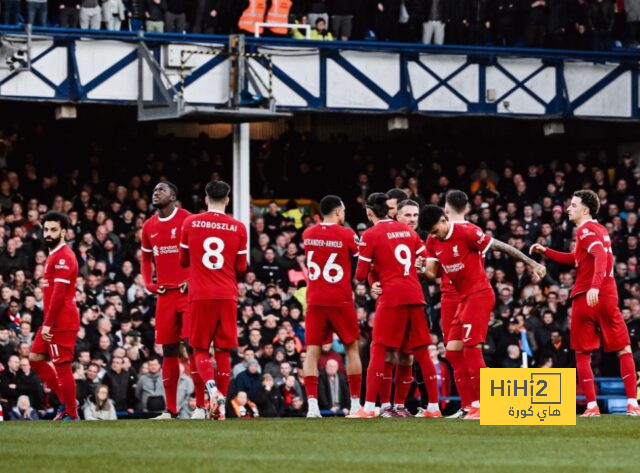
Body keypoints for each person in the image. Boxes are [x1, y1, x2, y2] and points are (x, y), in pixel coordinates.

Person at [418, 202, 545, 420]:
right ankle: (470, 406)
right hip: (463, 299)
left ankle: (484, 405)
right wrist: (420, 270)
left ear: (444, 220)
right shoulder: (432, 240)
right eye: (431, 234)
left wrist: (532, 263)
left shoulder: (468, 232)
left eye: (436, 231)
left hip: (480, 294)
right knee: (452, 352)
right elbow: (432, 274)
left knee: (471, 348)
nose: (435, 236)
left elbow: (502, 246)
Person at [530, 189, 640, 417]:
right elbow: (576, 259)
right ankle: (632, 404)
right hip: (609, 297)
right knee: (624, 349)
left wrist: (593, 286)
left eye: (573, 205)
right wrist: (546, 251)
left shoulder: (585, 229)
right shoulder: (600, 229)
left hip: (587, 296)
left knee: (582, 353)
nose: (569, 208)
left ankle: (592, 406)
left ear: (585, 209)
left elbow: (599, 255)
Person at [352, 193, 441, 419]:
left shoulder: (370, 234)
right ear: (394, 212)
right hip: (415, 295)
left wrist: (373, 265)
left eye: (414, 215)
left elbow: (361, 274)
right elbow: (426, 259)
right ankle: (433, 408)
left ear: (369, 212)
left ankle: (370, 407)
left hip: (392, 298)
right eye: (407, 215)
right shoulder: (410, 233)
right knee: (421, 351)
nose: (411, 219)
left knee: (380, 349)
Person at [179, 180, 248, 420]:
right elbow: (241, 267)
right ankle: (221, 411)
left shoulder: (190, 223)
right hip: (227, 294)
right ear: (228, 199)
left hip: (200, 294)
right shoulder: (238, 227)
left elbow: (183, 260)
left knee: (199, 348)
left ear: (205, 198)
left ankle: (211, 392)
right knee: (223, 350)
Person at [141, 181, 203, 420]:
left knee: (191, 347)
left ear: (174, 196)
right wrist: (148, 283)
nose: (156, 192)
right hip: (165, 296)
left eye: (161, 190)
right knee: (168, 350)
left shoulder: (188, 219)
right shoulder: (149, 226)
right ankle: (170, 410)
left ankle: (200, 406)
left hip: (187, 295)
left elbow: (200, 253)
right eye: (154, 189)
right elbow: (146, 259)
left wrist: (192, 278)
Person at [302, 195, 362, 418]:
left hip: (315, 298)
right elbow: (360, 258)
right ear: (338, 212)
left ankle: (312, 406)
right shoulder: (347, 234)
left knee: (312, 352)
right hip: (340, 298)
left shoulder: (308, 233)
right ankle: (356, 404)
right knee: (351, 348)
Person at [29, 212, 80, 421]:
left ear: (64, 232)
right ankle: (68, 402)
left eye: (54, 230)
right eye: (46, 229)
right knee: (35, 358)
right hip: (52, 321)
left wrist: (48, 324)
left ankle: (71, 414)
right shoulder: (53, 255)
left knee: (62, 366)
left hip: (60, 322)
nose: (48, 233)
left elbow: (59, 295)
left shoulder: (64, 257)